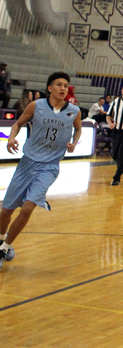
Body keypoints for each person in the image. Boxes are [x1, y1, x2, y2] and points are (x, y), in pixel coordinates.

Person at [0, 71, 82, 269]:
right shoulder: (36, 106)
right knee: (5, 211)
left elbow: (78, 129)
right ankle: (2, 240)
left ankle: (4, 247)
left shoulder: (74, 111)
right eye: (59, 85)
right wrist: (11, 138)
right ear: (50, 88)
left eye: (66, 85)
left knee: (28, 208)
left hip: (49, 167)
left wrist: (74, 142)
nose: (63, 88)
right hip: (27, 163)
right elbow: (18, 123)